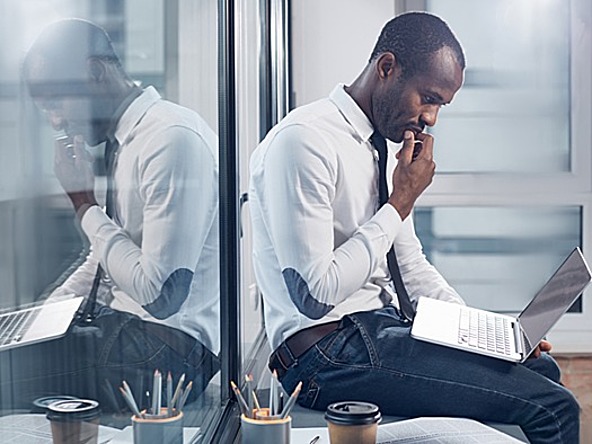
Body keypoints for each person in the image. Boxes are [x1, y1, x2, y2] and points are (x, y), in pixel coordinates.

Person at [249, 12, 579, 444]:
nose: (432, 118)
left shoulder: (374, 147)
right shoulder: (305, 141)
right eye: (429, 98)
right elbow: (313, 296)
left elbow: (411, 266)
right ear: (387, 68)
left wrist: (489, 337)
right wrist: (400, 200)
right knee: (555, 409)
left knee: (539, 369)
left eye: (440, 104)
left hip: (377, 331)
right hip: (324, 356)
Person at [0, 18, 219, 413]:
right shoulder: (126, 141)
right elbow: (103, 262)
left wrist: (84, 205)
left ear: (95, 72)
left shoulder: (171, 138)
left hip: (168, 356)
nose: (55, 121)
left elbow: (160, 295)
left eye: (56, 102)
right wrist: (40, 321)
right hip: (129, 335)